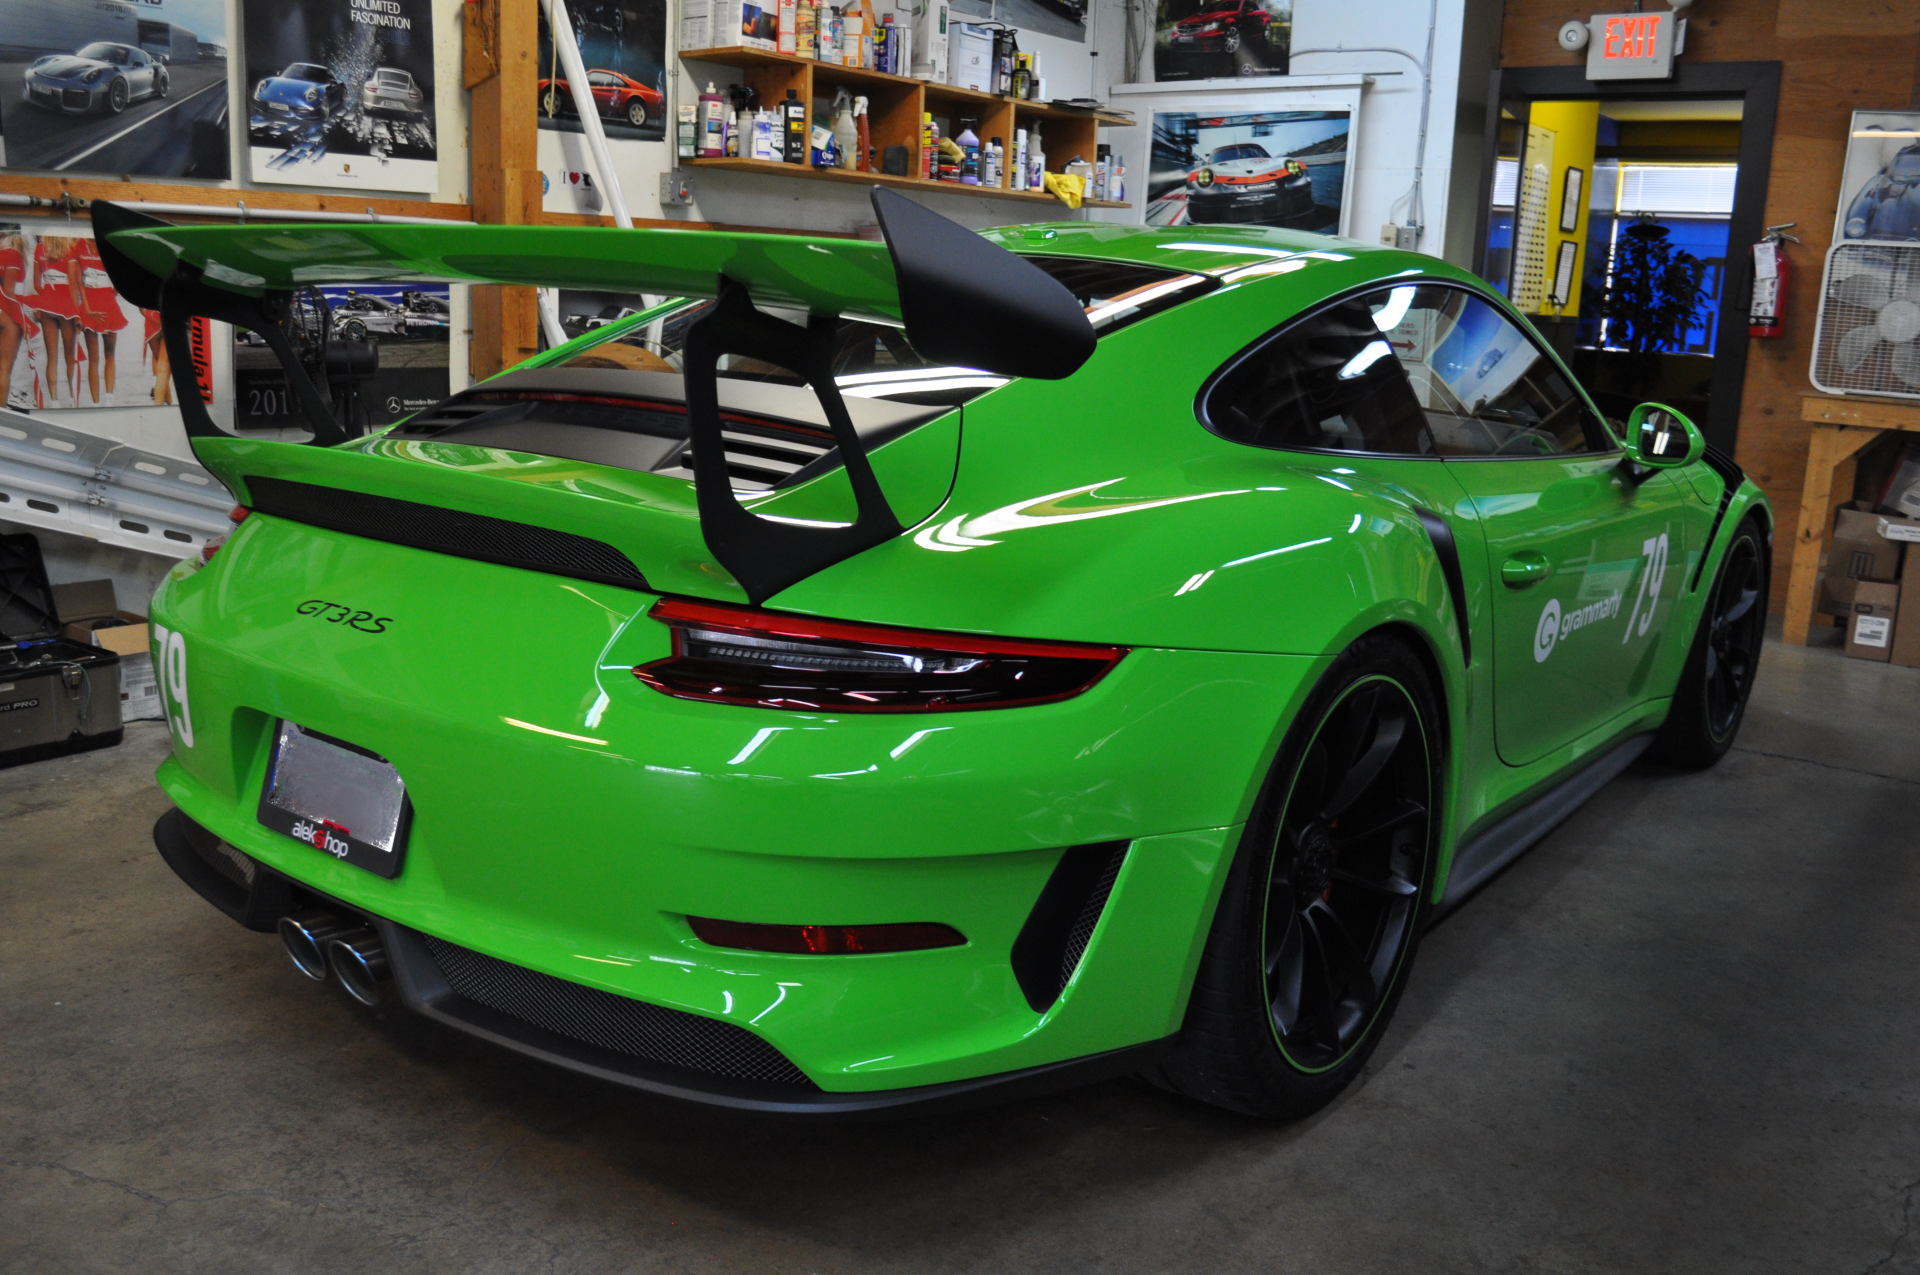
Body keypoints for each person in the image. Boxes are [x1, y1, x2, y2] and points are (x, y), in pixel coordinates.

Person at [72, 238, 125, 405]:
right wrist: (86, 308)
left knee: (110, 353)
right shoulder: (79, 245)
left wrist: (110, 295)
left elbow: (120, 276)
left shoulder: (109, 244)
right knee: (93, 357)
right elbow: (78, 281)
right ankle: (96, 402)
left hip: (107, 302)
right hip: (89, 303)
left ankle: (109, 398)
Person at [32, 235, 82, 406]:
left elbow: (37, 284)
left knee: (51, 356)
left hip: (47, 305)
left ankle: (54, 401)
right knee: (70, 356)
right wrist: (77, 315)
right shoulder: (70, 250)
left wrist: (46, 296)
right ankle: (72, 398)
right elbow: (73, 286)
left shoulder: (39, 249)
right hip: (65, 306)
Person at [0, 230, 42, 410]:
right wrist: (23, 321)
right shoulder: (13, 255)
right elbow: (9, 291)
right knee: (5, 367)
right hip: (6, 311)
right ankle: (3, 411)